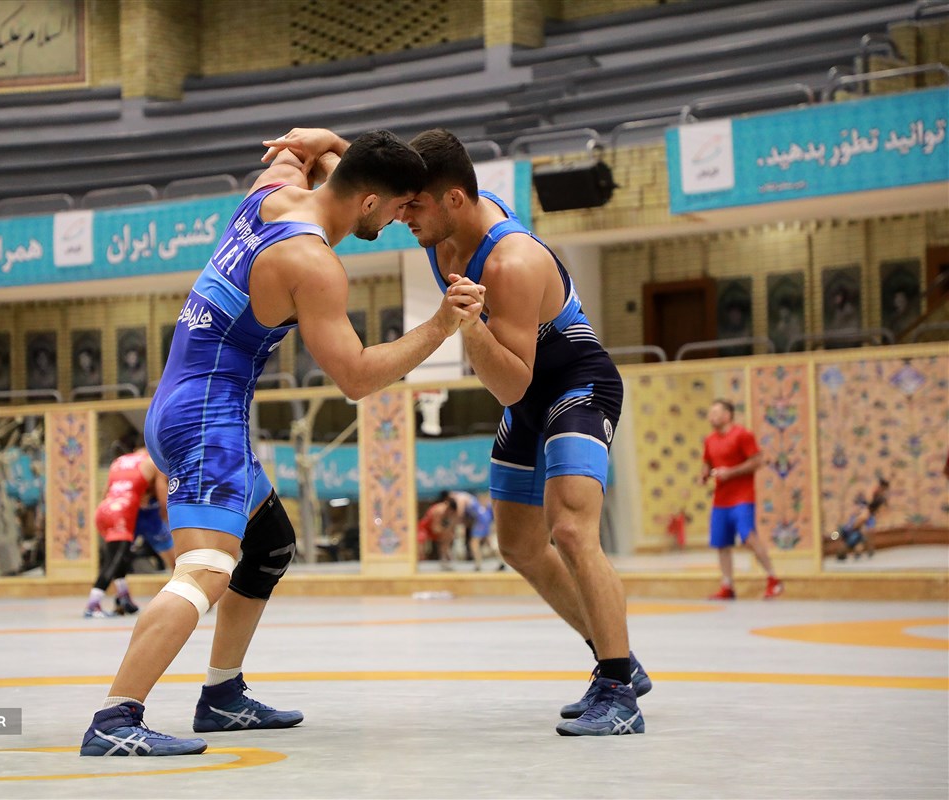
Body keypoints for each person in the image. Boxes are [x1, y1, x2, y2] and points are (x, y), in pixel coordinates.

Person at [80, 129, 485, 757]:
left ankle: (222, 695)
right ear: (370, 202)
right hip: (206, 420)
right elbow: (356, 378)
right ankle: (115, 719)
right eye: (398, 208)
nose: (400, 220)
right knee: (206, 569)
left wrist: (326, 141)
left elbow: (298, 155)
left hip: (182, 400)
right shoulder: (314, 265)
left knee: (268, 542)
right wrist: (440, 325)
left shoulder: (272, 194)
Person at [262, 126, 650, 736]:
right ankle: (615, 653)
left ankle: (619, 689)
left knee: (572, 529)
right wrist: (327, 141)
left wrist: (466, 327)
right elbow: (367, 173)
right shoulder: (441, 223)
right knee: (518, 546)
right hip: (528, 394)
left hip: (575, 386)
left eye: (413, 206)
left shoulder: (511, 261)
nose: (401, 217)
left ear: (454, 200)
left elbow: (512, 385)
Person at [702, 399, 783, 599]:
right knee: (721, 543)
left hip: (742, 497)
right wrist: (704, 474)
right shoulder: (710, 440)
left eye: (716, 413)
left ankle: (773, 578)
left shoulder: (742, 435)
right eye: (710, 413)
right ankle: (727, 585)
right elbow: (707, 462)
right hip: (721, 499)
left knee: (748, 536)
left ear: (727, 415)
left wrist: (731, 472)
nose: (711, 417)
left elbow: (757, 461)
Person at [85, 448, 171, 618]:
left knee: (121, 557)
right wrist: (169, 520)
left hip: (105, 510)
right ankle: (93, 605)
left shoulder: (119, 462)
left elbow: (106, 492)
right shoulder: (153, 462)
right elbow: (163, 499)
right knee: (113, 561)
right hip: (122, 514)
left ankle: (124, 599)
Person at [832, 477, 888, 560]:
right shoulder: (850, 540)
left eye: (840, 550)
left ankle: (868, 550)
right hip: (859, 525)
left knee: (860, 530)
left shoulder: (845, 532)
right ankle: (869, 550)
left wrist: (833, 536)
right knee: (860, 540)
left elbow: (837, 533)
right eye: (842, 551)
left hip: (856, 524)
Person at [417, 492, 461, 568]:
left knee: (449, 536)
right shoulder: (439, 511)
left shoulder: (452, 511)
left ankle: (445, 556)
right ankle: (420, 559)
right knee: (421, 540)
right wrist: (445, 532)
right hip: (425, 527)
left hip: (437, 527)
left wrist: (449, 533)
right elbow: (435, 528)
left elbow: (452, 525)